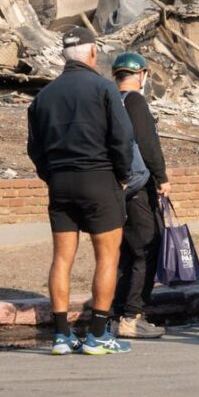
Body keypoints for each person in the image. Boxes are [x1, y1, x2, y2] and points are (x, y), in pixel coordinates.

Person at [27, 27, 134, 355]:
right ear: (92, 53)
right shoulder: (104, 88)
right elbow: (122, 137)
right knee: (107, 255)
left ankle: (61, 335)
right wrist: (123, 174)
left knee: (61, 258)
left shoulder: (43, 96)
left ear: (64, 55)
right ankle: (98, 334)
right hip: (99, 178)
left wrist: (51, 175)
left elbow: (35, 147)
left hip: (60, 182)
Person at [110, 52, 172, 339]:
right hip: (138, 187)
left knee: (123, 252)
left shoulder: (108, 101)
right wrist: (162, 178)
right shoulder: (135, 101)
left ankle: (115, 314)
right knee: (146, 247)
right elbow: (148, 143)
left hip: (113, 187)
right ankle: (132, 317)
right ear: (142, 75)